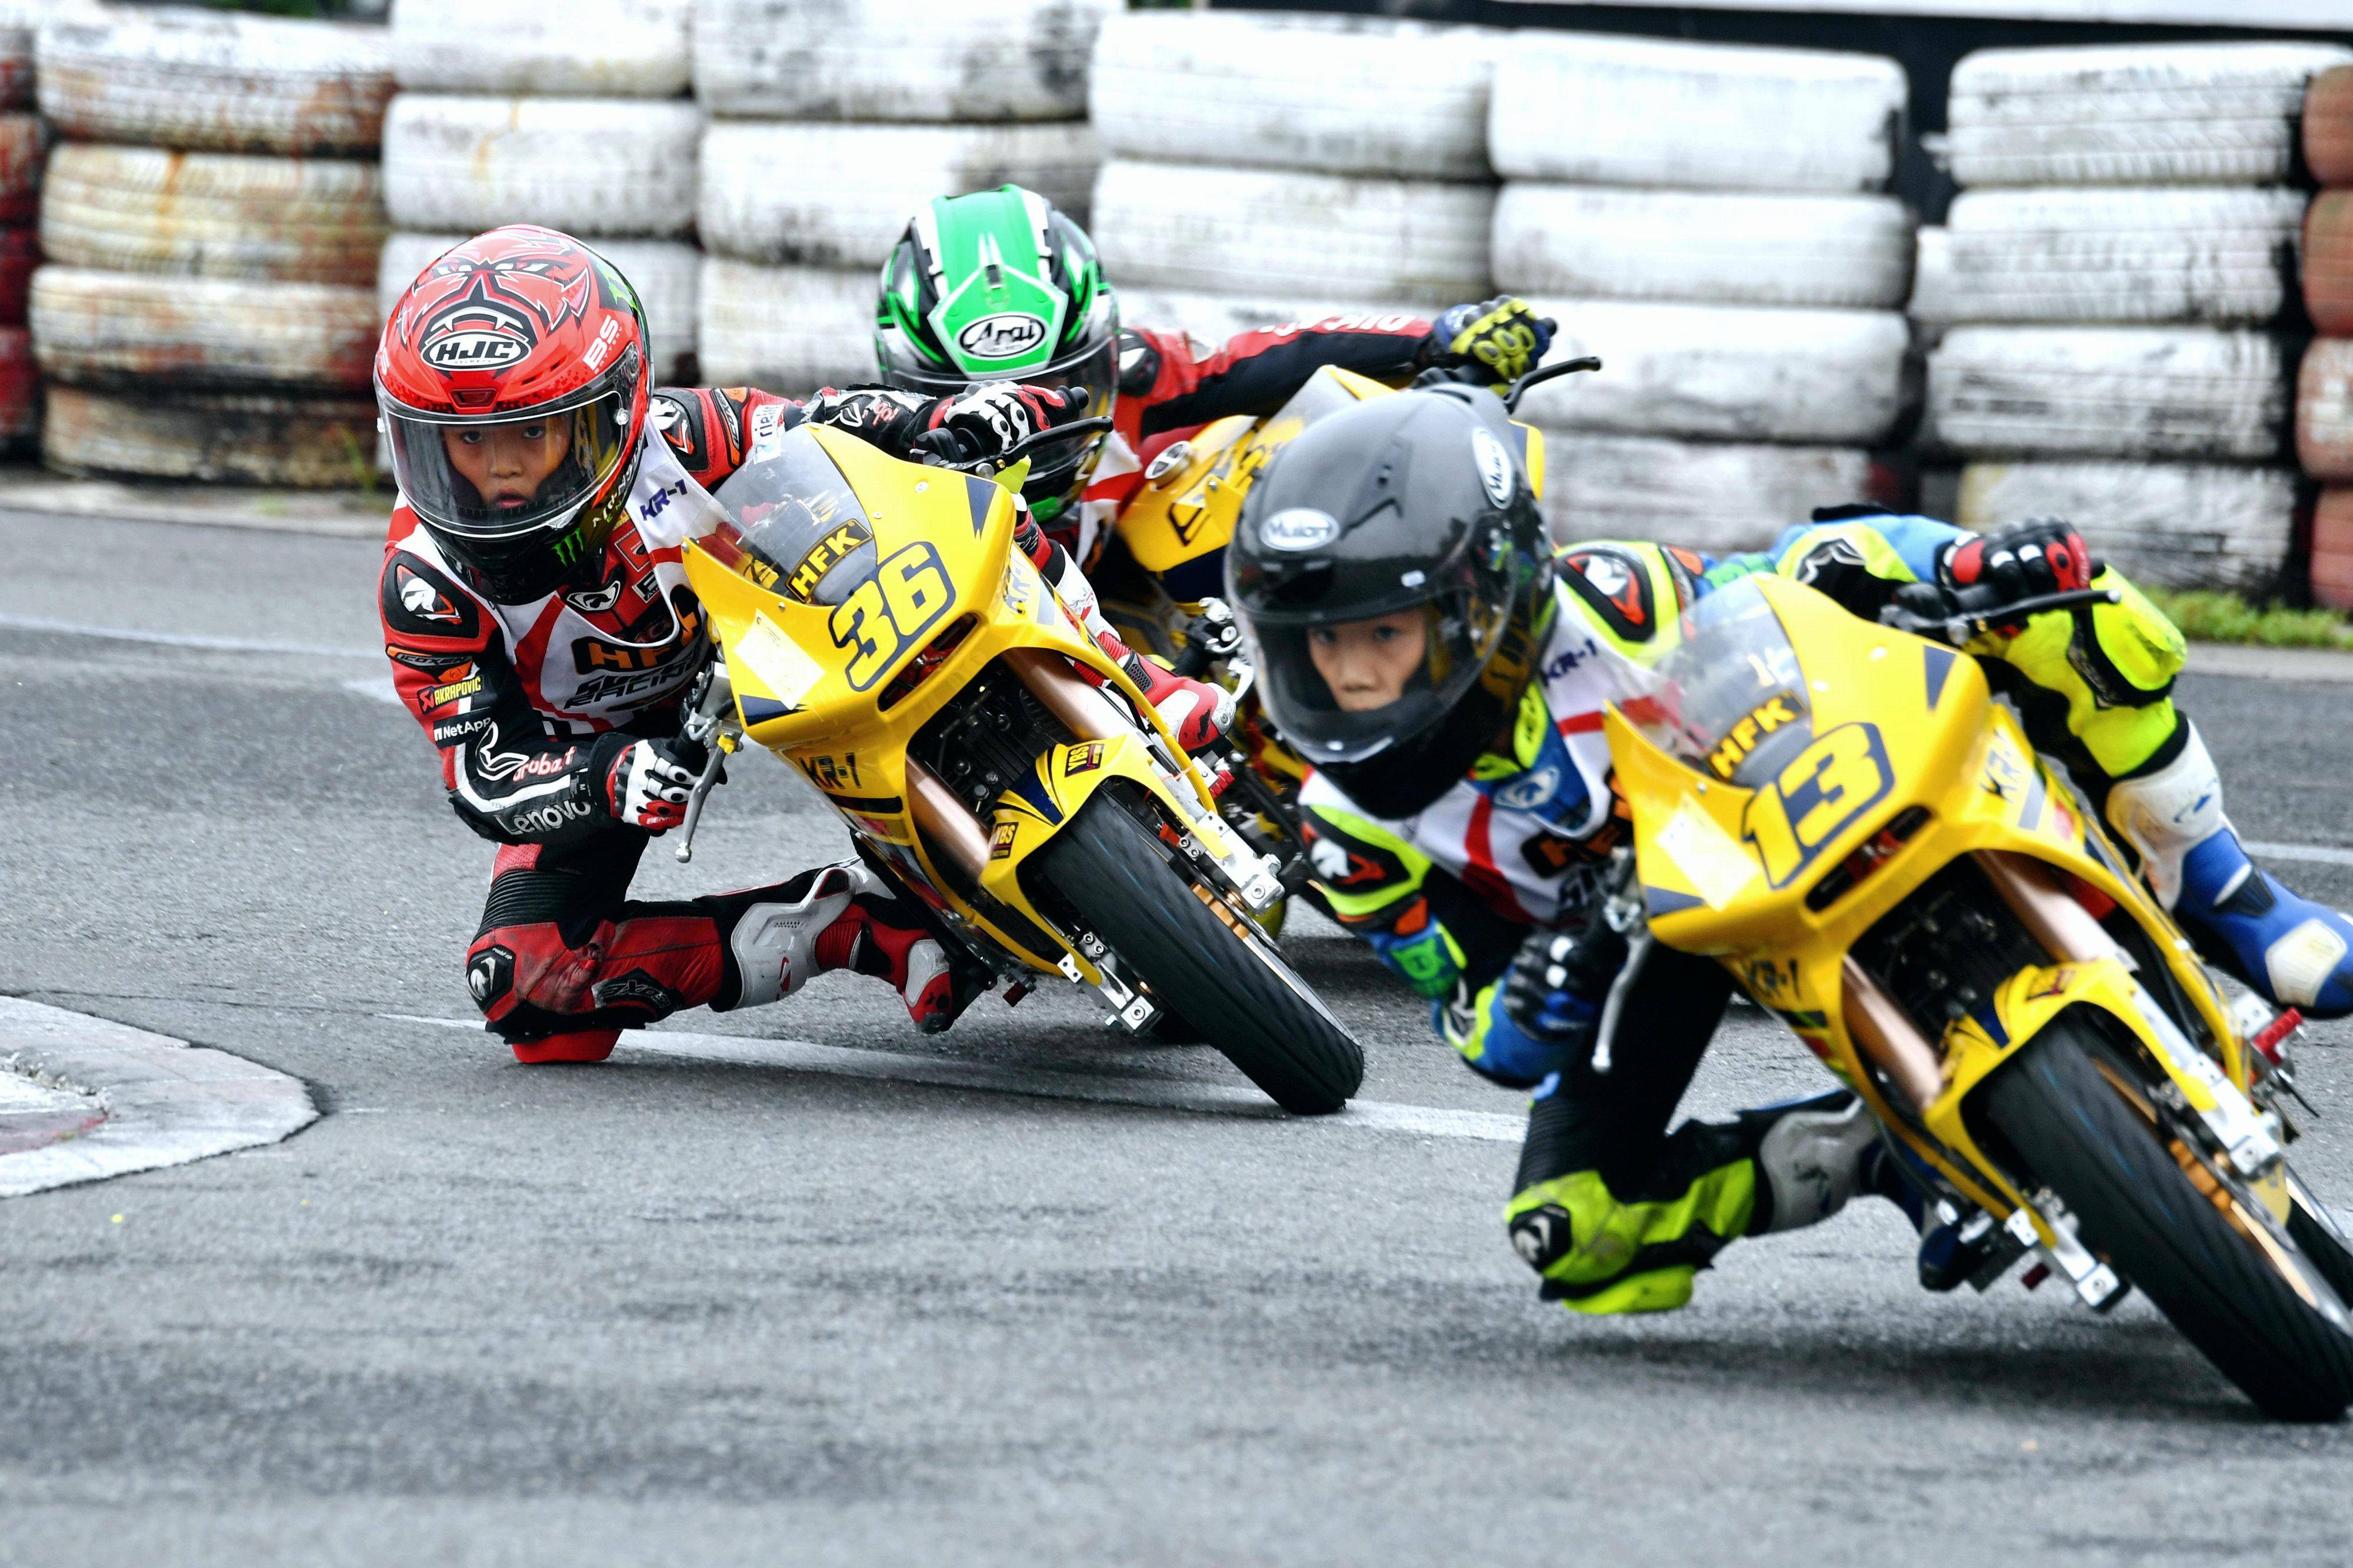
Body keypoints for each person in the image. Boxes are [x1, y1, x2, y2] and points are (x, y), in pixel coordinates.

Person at [1224, 385, 2353, 1316]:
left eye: (1385, 632)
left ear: (1488, 596)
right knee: (1571, 1230)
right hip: (1647, 946)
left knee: (2070, 605)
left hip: (1783, 794)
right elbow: (1481, 1032)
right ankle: (1870, 1152)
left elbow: (1794, 571)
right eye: (1319, 644)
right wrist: (1543, 989)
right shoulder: (1350, 834)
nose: (1351, 675)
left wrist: (1957, 568)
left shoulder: (1610, 605)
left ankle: (2235, 899)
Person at [375, 225, 1098, 1064]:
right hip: (600, 748)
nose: (499, 473)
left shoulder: (678, 436)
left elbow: (831, 422)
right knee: (526, 984)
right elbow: (481, 770)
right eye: (468, 441)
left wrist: (947, 418)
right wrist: (606, 775)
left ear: (609, 416)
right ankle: (856, 923)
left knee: (960, 498)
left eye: (529, 436)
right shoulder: (424, 584)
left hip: (757, 641)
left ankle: (1134, 682)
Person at [871, 184, 1551, 739]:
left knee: (1224, 454)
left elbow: (1270, 356)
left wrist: (1436, 339)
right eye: (983, 404)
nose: (1031, 429)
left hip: (1132, 611)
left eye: (1060, 387)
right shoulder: (870, 455)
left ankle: (1302, 694)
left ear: (1103, 351)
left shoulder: (1139, 373)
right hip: (988, 658)